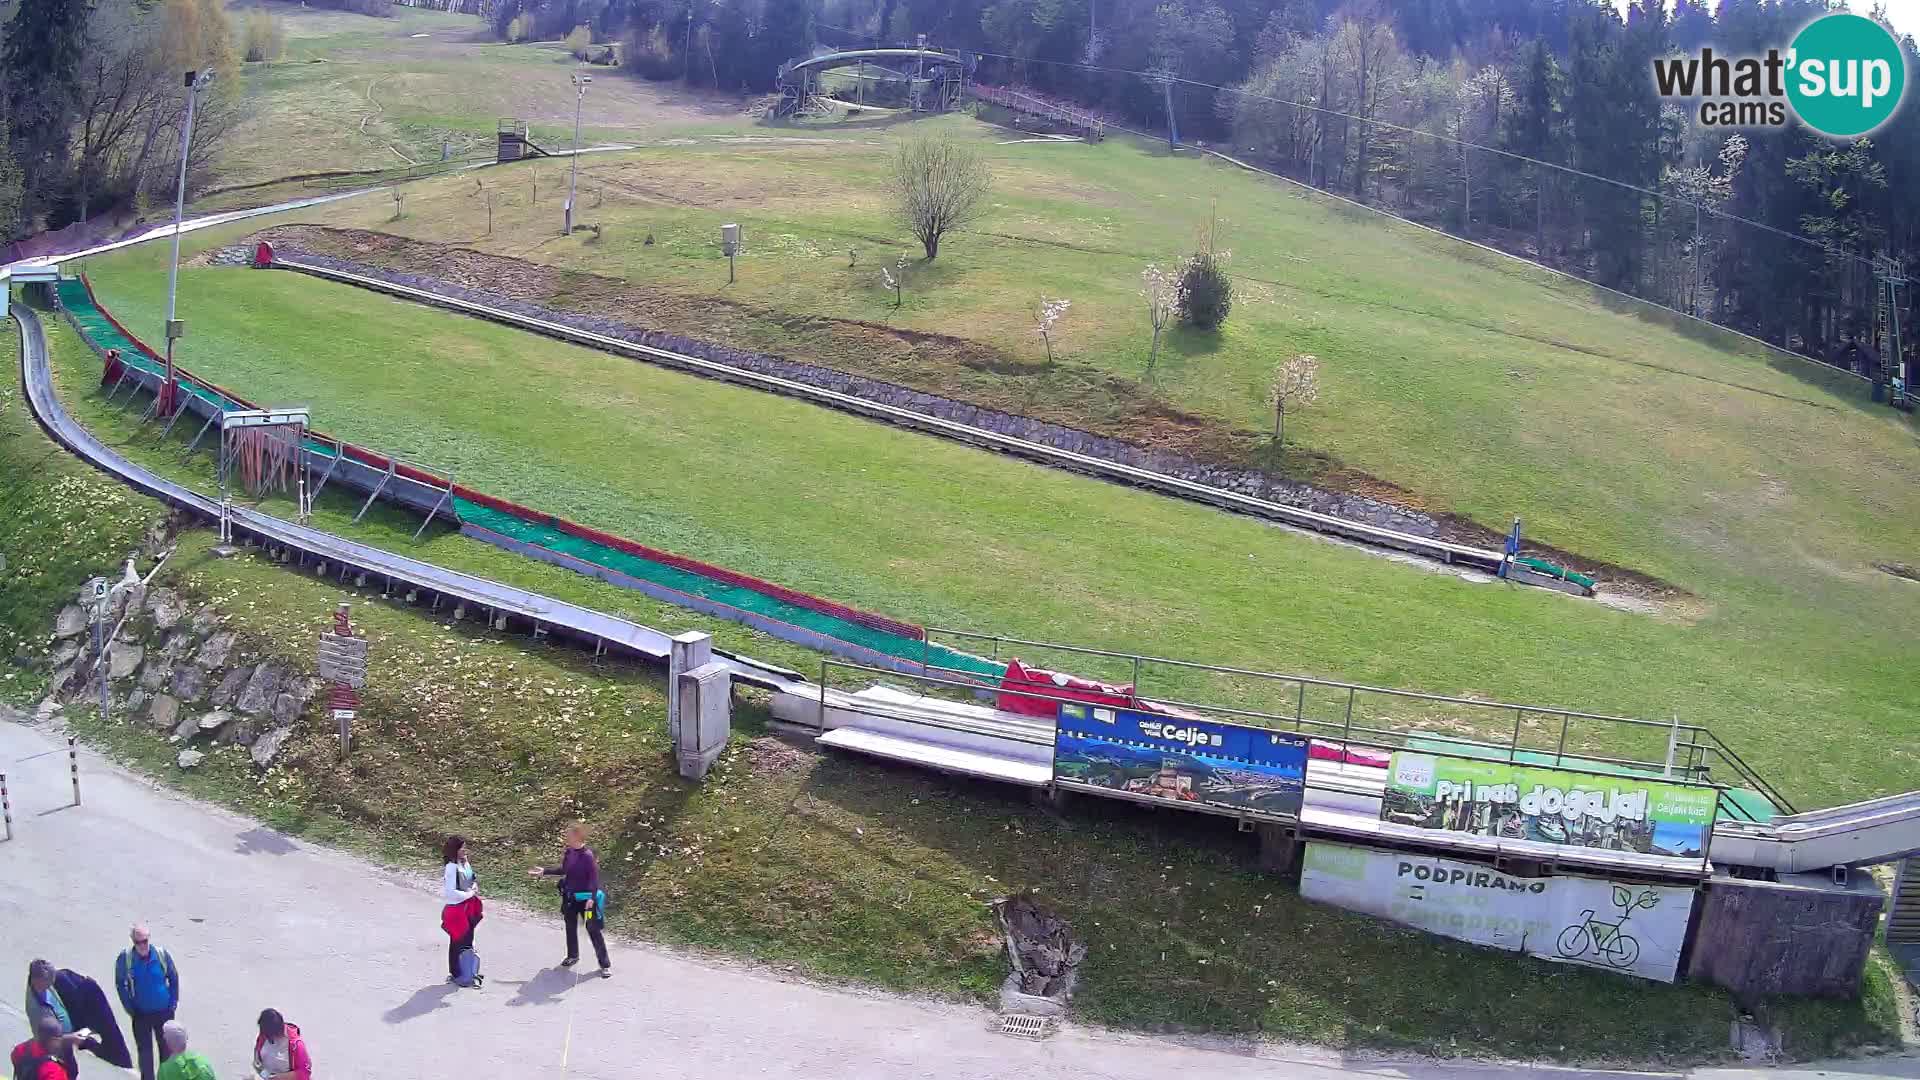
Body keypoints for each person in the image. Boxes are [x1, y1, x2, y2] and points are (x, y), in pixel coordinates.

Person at [528, 821, 612, 978]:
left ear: (578, 836)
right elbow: (564, 870)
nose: (566, 837)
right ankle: (573, 956)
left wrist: (592, 899)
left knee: (592, 929)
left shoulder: (587, 856)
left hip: (586, 901)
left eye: (569, 834)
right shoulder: (569, 852)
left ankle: (604, 964)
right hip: (570, 899)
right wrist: (544, 872)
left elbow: (594, 879)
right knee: (570, 927)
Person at [114, 924, 179, 1080]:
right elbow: (120, 984)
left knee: (166, 1051)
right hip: (141, 1014)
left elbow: (173, 976)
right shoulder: (126, 959)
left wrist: (173, 1002)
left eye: (145, 941)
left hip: (164, 1012)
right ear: (133, 941)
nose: (142, 945)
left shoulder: (161, 954)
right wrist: (129, 1008)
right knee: (145, 1055)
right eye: (138, 942)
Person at [23, 961, 99, 1078]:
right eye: (49, 981)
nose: (52, 983)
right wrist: (72, 1038)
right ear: (37, 981)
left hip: (63, 1038)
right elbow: (44, 1039)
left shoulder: (43, 986)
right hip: (57, 1047)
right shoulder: (36, 1010)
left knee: (72, 1070)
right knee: (69, 1072)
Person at [440, 835, 484, 988]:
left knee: (467, 941)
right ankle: (456, 974)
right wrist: (470, 894)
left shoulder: (465, 863)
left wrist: (474, 886)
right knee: (457, 942)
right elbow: (451, 893)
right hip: (457, 910)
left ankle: (467, 972)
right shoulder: (451, 868)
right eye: (462, 848)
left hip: (468, 908)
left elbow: (471, 879)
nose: (465, 850)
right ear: (455, 850)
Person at [250, 1010, 310, 1080]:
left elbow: (304, 1073)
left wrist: (278, 1077)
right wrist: (263, 1073)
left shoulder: (296, 1044)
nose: (265, 1036)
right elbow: (257, 1062)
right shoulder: (263, 1036)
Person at [10, 1016, 72, 1080]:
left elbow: (14, 1057)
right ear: (53, 1041)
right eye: (58, 1040)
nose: (60, 1043)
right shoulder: (53, 1070)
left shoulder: (21, 1049)